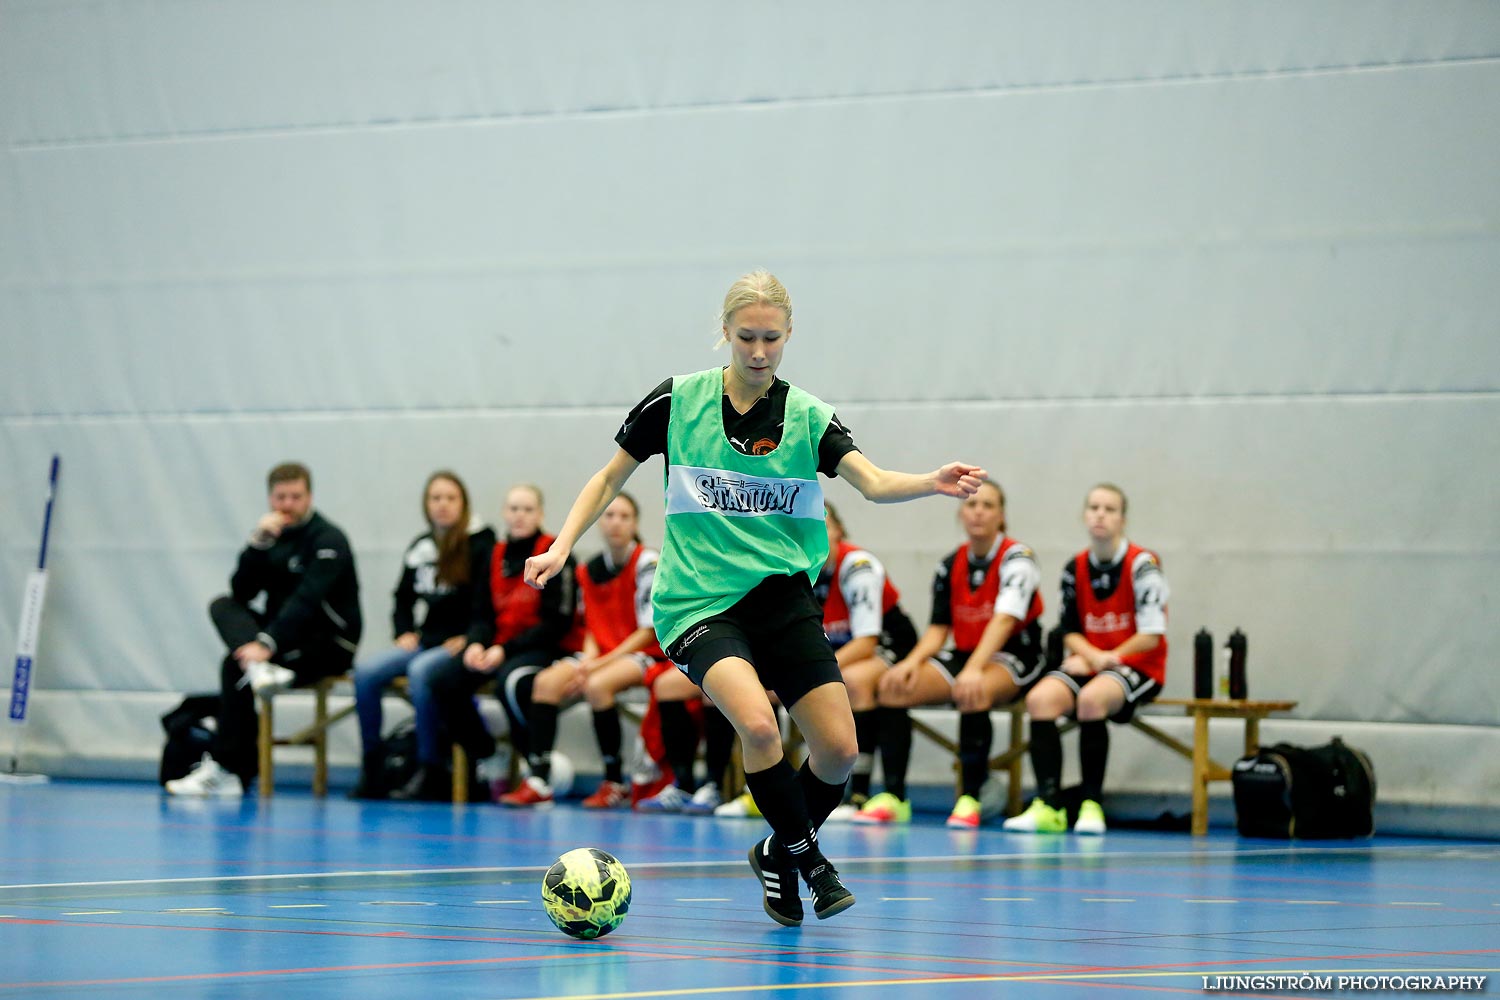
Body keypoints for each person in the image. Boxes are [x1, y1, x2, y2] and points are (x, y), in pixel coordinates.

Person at [523, 269, 985, 926]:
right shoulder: (675, 403)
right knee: (761, 725)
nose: (759, 351)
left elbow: (875, 483)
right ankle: (812, 862)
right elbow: (606, 479)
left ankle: (775, 851)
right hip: (699, 605)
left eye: (772, 338)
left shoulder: (807, 418)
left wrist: (932, 481)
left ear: (789, 335)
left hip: (783, 601)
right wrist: (563, 544)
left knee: (838, 750)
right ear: (725, 334)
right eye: (746, 337)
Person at [851, 480, 1044, 829]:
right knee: (894, 686)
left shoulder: (1018, 559)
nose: (979, 511)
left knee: (974, 689)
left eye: (988, 505)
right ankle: (895, 797)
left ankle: (971, 795)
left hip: (1017, 653)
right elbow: (940, 629)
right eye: (972, 505)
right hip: (967, 652)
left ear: (1001, 515)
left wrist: (972, 669)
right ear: (961, 513)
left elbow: (1004, 621)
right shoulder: (950, 563)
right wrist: (909, 663)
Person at [166, 462, 361, 797]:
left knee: (238, 665)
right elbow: (242, 592)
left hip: (327, 644)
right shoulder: (273, 537)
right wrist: (257, 545)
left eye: (295, 497)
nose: (287, 505)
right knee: (224, 613)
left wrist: (267, 643)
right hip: (282, 643)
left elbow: (307, 599)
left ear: (308, 497)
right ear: (270, 498)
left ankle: (257, 668)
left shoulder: (329, 539)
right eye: (280, 497)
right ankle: (230, 773)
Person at [509, 492, 701, 811]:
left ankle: (614, 781)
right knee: (546, 683)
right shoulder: (588, 569)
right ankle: (539, 778)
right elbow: (590, 629)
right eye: (609, 515)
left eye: (624, 517)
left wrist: (596, 667)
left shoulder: (647, 562)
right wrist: (587, 661)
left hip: (647, 653)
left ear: (635, 523)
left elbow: (646, 631)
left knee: (597, 685)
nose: (615, 523)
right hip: (604, 655)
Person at [1004, 483, 1169, 835]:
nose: (1100, 514)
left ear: (1122, 519)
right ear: (1084, 514)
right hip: (1094, 661)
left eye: (1109, 509)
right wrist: (1095, 658)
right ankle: (1050, 806)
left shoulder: (1144, 565)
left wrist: (1106, 658)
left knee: (1092, 701)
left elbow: (1151, 634)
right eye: (1094, 507)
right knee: (1039, 699)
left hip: (1140, 664)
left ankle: (1092, 804)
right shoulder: (1074, 567)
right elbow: (1070, 629)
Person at [400, 484, 578, 802]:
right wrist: (476, 644)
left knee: (510, 682)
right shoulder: (495, 554)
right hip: (496, 647)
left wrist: (503, 650)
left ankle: (535, 766)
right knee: (442, 682)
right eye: (513, 509)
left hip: (541, 646)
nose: (519, 515)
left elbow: (556, 623)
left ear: (540, 514)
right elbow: (481, 612)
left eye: (527, 509)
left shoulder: (554, 551)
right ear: (504, 513)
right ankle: (487, 751)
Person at [348, 471, 495, 799]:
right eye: (435, 498)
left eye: (450, 498)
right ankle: (372, 764)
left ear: (463, 504)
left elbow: (488, 600)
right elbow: (402, 597)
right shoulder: (421, 546)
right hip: (426, 640)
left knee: (421, 672)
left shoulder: (482, 542)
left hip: (458, 643)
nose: (442, 505)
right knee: (366, 673)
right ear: (426, 505)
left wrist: (471, 638)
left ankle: (429, 766)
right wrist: (403, 632)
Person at [812, 503, 918, 822]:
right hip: (839, 650)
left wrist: (816, 672)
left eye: (825, 525)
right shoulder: (796, 570)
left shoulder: (858, 566)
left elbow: (866, 641)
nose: (817, 533)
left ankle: (858, 792)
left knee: (854, 682)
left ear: (839, 531)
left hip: (887, 643)